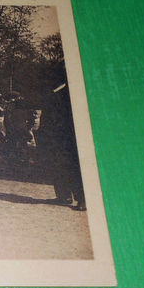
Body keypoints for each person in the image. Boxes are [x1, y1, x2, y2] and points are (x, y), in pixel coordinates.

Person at [37, 82, 86, 210]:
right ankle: (64, 196)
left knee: (72, 167)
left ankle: (82, 199)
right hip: (56, 137)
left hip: (67, 137)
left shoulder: (67, 93)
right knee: (58, 165)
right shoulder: (55, 94)